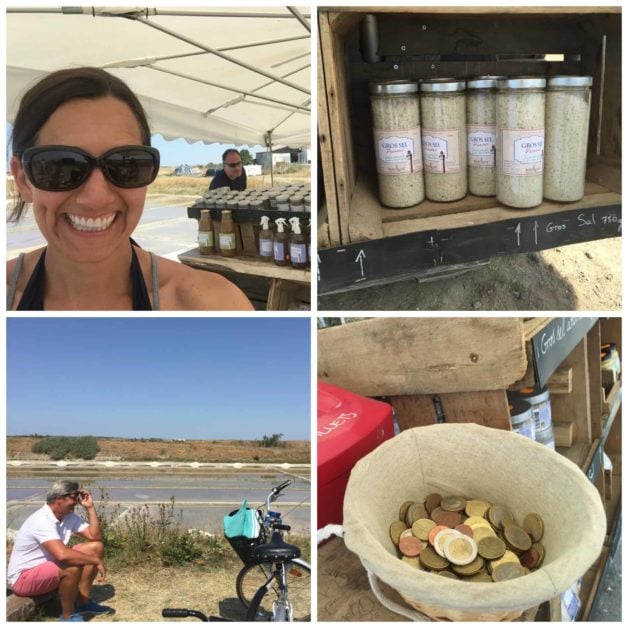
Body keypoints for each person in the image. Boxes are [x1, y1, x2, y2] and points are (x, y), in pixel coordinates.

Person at [7, 67, 253, 311]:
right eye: (61, 166)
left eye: (127, 165)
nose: (96, 197)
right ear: (23, 179)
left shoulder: (212, 306)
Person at [7, 481, 111, 622]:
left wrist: (90, 508)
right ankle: (68, 616)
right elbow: (61, 555)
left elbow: (95, 536)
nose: (77, 501)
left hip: (47, 567)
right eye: (75, 497)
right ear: (59, 499)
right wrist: (96, 561)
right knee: (71, 566)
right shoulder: (41, 520)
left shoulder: (67, 516)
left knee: (96, 547)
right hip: (23, 578)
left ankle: (83, 602)